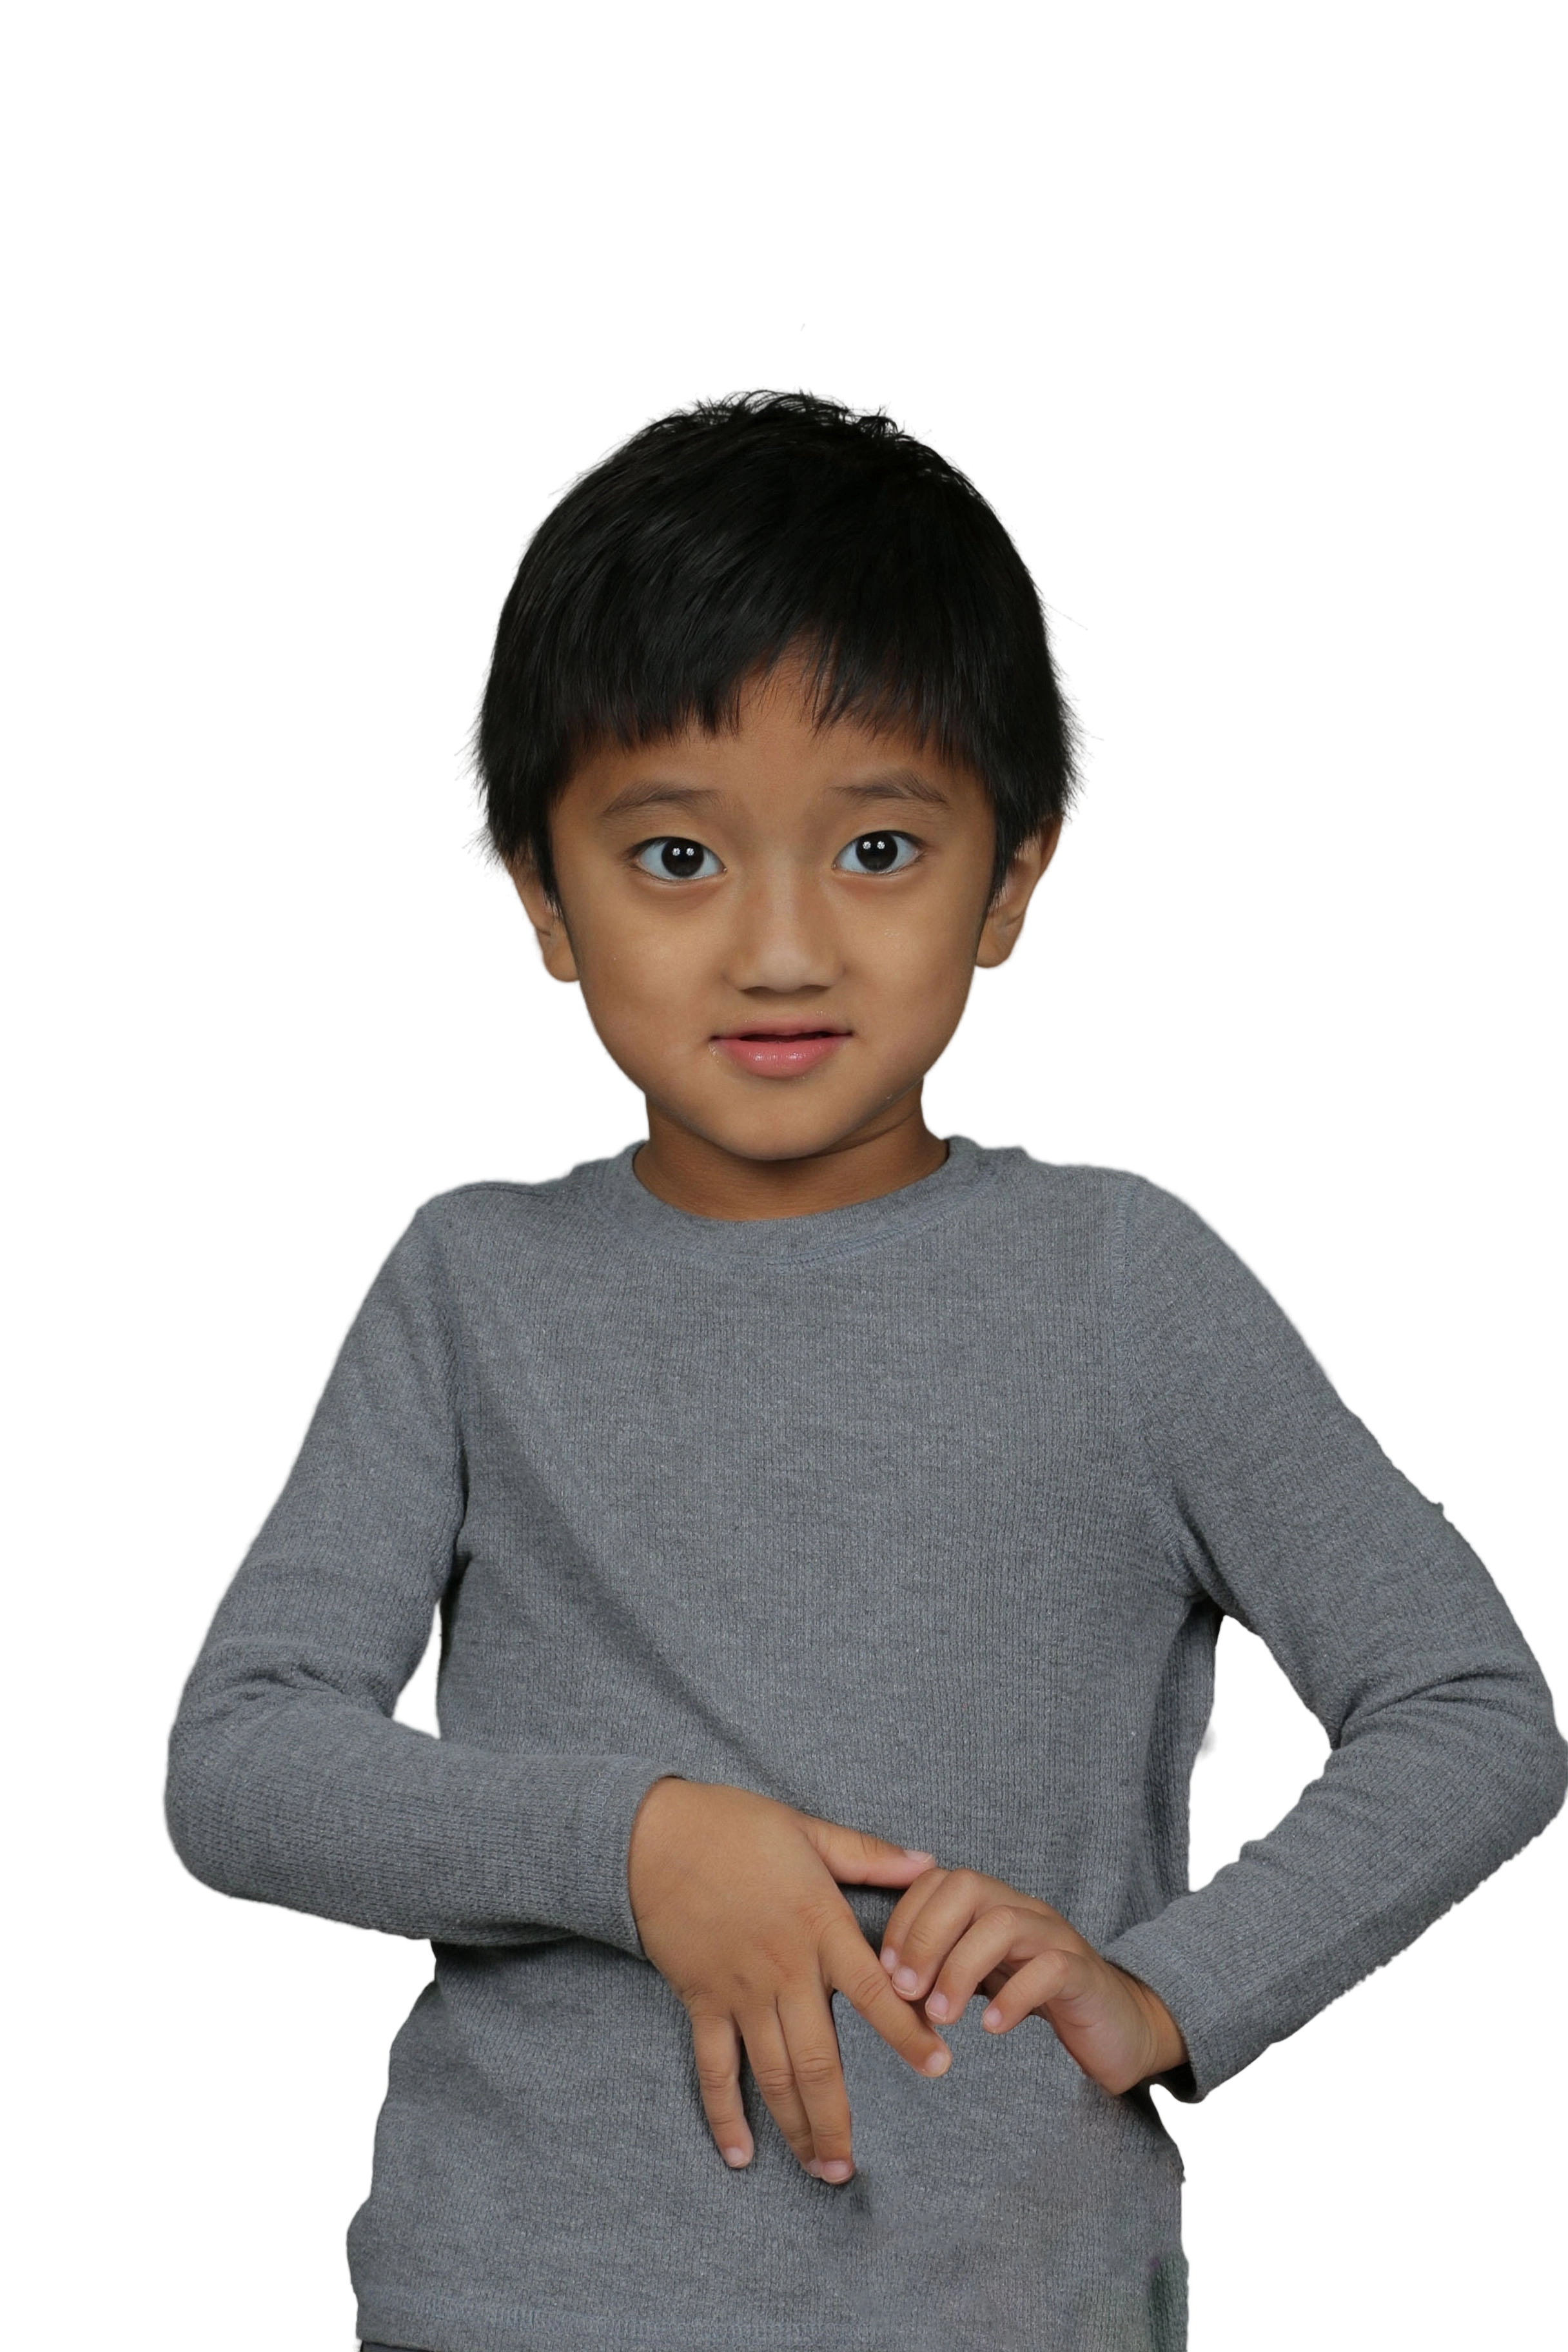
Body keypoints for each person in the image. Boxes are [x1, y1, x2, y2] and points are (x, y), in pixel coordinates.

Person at [158, 384, 1567, 2352]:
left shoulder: (1127, 1281)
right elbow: (239, 1764)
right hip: (509, 2303)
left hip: (1000, 2306)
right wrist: (638, 1848)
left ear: (1013, 879)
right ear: (541, 896)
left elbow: (1470, 1708)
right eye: (674, 856)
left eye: (880, 846)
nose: (781, 948)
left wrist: (1175, 1987)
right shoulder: (470, 1283)